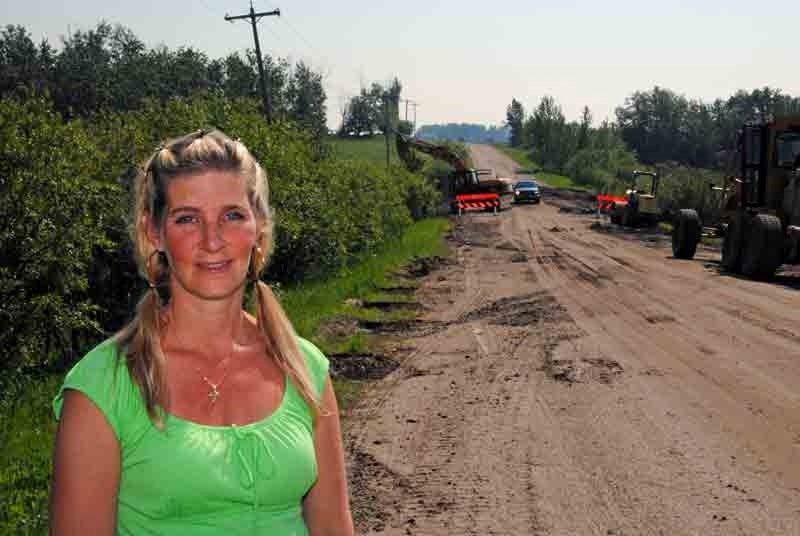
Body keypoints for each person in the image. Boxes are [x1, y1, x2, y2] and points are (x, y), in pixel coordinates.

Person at [49, 129, 355, 535]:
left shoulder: (305, 368)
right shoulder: (103, 386)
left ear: (258, 227)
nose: (213, 241)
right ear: (154, 232)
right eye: (188, 219)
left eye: (232, 215)